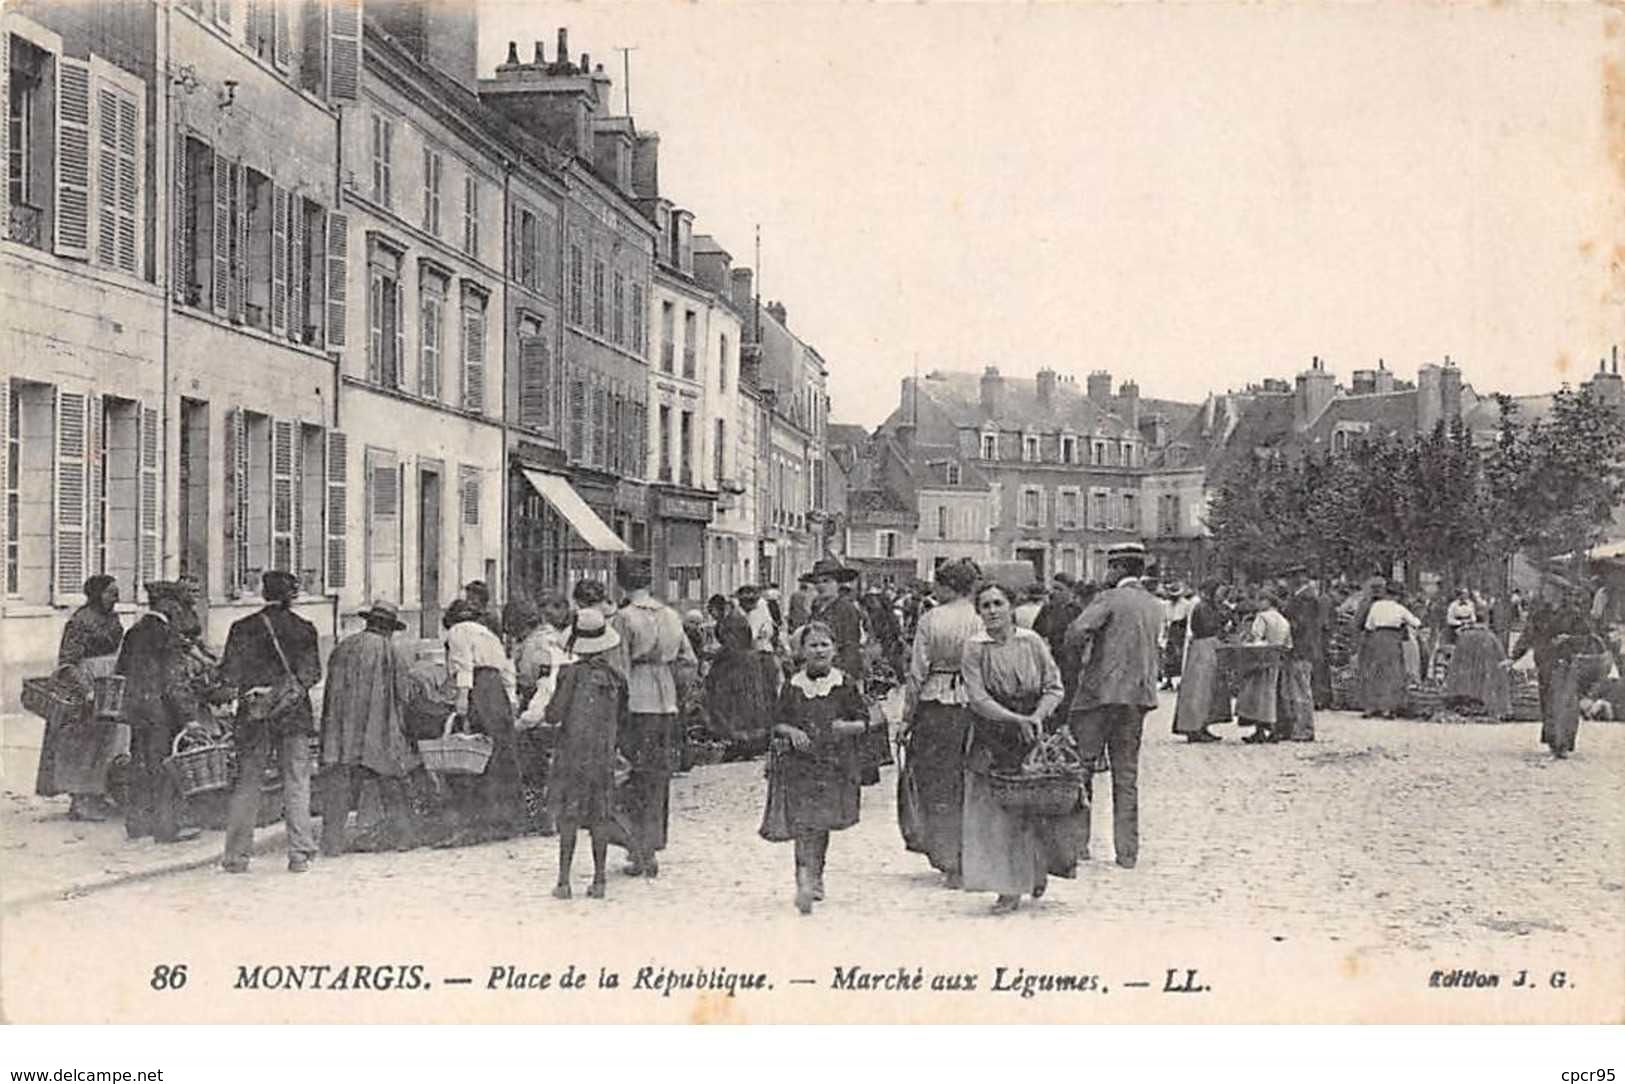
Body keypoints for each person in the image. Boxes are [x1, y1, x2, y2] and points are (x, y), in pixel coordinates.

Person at [960, 582, 1076, 914]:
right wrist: (1013, 719)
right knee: (997, 812)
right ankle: (1007, 885)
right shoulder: (974, 647)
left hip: (1034, 729)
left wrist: (1037, 717)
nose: (993, 611)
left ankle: (1037, 868)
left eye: (998, 603)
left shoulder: (1032, 641)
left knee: (1036, 806)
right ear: (978, 612)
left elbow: (1054, 686)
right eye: (985, 606)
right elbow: (978, 697)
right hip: (993, 730)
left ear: (1012, 607)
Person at [760, 621, 877, 914]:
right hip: (800, 764)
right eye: (812, 645)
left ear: (835, 649)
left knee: (821, 822)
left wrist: (844, 727)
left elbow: (864, 722)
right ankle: (803, 876)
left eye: (825, 644)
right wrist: (792, 732)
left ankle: (817, 873)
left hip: (834, 764)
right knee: (802, 821)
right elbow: (777, 722)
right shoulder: (793, 686)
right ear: (802, 651)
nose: (819, 650)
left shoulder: (844, 684)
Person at [1064, 543, 1163, 869]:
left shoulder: (1107, 599)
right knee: (1126, 775)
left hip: (1100, 696)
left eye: (1109, 566)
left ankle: (1078, 844)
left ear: (1119, 568)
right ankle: (1127, 852)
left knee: (1083, 768)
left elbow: (1076, 632)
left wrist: (1082, 661)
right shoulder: (1153, 604)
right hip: (1137, 697)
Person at [220, 571, 321, 872]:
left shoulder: (242, 628)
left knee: (247, 783)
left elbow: (229, 675)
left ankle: (236, 856)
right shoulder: (305, 629)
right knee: (297, 782)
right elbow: (312, 673)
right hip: (292, 714)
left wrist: (255, 690)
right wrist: (283, 692)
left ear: (264, 593)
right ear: (293, 596)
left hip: (254, 714)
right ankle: (299, 853)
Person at [898, 557, 984, 886]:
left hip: (935, 704)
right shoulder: (980, 618)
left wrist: (907, 716)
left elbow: (917, 671)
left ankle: (948, 857)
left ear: (948, 586)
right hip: (972, 703)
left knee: (937, 781)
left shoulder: (932, 618)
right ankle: (969, 855)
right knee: (967, 781)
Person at [609, 555, 696, 877]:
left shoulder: (623, 618)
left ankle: (637, 847)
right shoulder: (672, 615)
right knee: (657, 779)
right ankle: (652, 845)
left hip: (636, 701)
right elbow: (689, 660)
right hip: (666, 702)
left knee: (631, 776)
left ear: (621, 582)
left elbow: (618, 668)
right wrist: (675, 690)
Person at [538, 608, 627, 900]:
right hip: (602, 754)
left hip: (572, 753)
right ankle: (600, 880)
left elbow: (553, 715)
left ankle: (564, 882)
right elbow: (624, 718)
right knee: (600, 816)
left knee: (569, 816)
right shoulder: (616, 678)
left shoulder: (571, 674)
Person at [317, 601, 415, 855]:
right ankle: (403, 836)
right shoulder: (390, 652)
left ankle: (332, 843)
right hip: (378, 728)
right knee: (390, 779)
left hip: (342, 729)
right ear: (388, 628)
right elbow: (403, 694)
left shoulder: (343, 648)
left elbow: (330, 692)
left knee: (339, 782)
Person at [116, 581, 202, 844]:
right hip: (162, 713)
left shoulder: (134, 631)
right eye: (175, 603)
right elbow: (174, 681)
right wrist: (189, 718)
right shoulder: (168, 634)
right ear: (166, 604)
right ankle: (166, 828)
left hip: (137, 711)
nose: (178, 608)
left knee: (139, 765)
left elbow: (121, 671)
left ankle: (137, 824)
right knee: (165, 769)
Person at [37, 574, 127, 821]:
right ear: (96, 594)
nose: (116, 597)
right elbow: (67, 661)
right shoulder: (79, 621)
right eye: (111, 592)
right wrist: (85, 690)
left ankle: (97, 795)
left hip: (108, 685)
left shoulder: (113, 618)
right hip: (86, 685)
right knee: (81, 744)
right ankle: (79, 801)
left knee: (105, 742)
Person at [441, 596, 523, 847]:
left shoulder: (457, 632)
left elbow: (464, 665)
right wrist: (510, 700)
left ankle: (477, 821)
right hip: (497, 689)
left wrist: (462, 700)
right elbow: (507, 670)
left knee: (476, 752)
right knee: (502, 753)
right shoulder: (488, 634)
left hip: (479, 689)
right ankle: (506, 820)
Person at [1511, 588, 1597, 759]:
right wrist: (1514, 656)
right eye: (1545, 591)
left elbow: (1587, 637)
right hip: (1544, 661)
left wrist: (1569, 639)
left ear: (1559, 594)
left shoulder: (1573, 615)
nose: (1546, 595)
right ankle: (1552, 741)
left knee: (1565, 703)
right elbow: (1528, 635)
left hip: (1566, 661)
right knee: (1548, 702)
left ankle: (1563, 743)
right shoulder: (1540, 615)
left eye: (1550, 591)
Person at [704, 593, 768, 752]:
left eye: (712, 612)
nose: (712, 616)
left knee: (738, 701)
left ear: (719, 609)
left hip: (740, 665)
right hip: (734, 663)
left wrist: (713, 654)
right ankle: (739, 738)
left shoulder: (734, 621)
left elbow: (732, 647)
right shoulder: (729, 619)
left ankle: (742, 740)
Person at [1172, 578, 1230, 742]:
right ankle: (1193, 727)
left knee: (1209, 689)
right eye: (1219, 590)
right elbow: (1205, 627)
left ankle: (1203, 724)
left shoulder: (1212, 606)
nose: (1221, 594)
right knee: (1198, 688)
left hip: (1210, 646)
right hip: (1202, 647)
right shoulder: (1202, 607)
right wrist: (1222, 623)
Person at [1235, 590, 1292, 743]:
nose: (1258, 604)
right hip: (1275, 661)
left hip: (1260, 659)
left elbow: (1256, 637)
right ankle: (1273, 729)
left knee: (1257, 696)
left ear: (1267, 601)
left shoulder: (1262, 617)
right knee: (1271, 695)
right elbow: (1288, 644)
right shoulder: (1283, 620)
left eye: (1260, 600)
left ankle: (1260, 730)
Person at [1359, 582, 1421, 719]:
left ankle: (1370, 707)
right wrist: (1404, 623)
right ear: (1397, 596)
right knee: (1392, 673)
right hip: (1392, 639)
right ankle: (1387, 708)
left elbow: (1369, 625)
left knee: (1374, 672)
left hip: (1376, 638)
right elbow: (1416, 623)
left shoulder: (1375, 606)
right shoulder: (1400, 608)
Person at [1444, 605, 1512, 719]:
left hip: (1465, 675)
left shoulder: (1464, 635)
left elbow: (1455, 657)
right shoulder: (1490, 636)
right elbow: (1501, 655)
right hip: (1484, 672)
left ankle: (1466, 706)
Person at [1277, 569, 1319, 741]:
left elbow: (1300, 626)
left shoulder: (1305, 600)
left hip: (1299, 649)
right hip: (1297, 649)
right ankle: (1294, 727)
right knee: (1291, 690)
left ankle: (1304, 728)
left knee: (1300, 690)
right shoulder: (1301, 598)